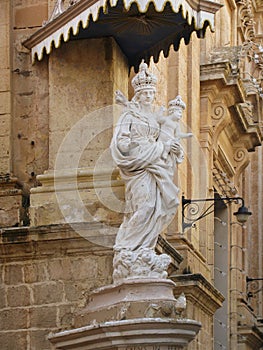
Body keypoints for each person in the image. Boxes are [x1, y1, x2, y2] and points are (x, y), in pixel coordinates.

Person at [110, 61, 184, 281]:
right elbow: (121, 142)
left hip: (155, 165)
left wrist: (173, 148)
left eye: (152, 92)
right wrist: (139, 148)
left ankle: (144, 248)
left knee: (155, 207)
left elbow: (169, 136)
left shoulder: (155, 117)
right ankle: (127, 247)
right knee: (145, 206)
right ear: (139, 95)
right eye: (145, 93)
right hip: (139, 166)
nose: (149, 96)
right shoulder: (129, 116)